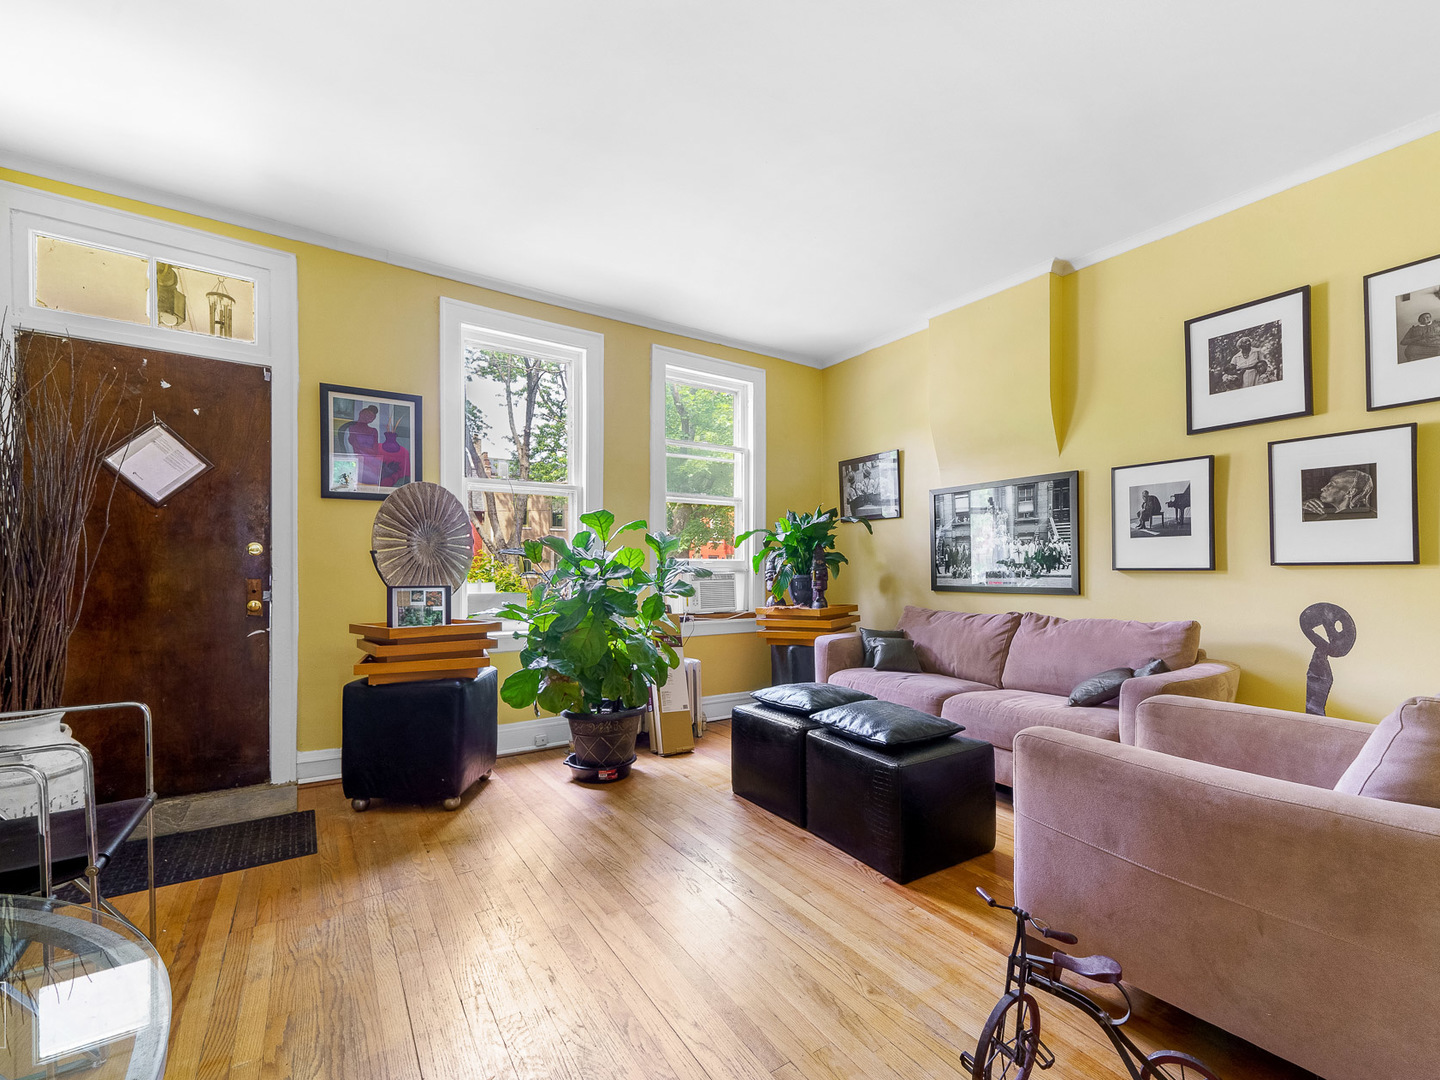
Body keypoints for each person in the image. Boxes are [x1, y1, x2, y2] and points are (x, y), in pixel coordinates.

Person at [339, 405, 382, 485]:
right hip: (357, 462)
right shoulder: (351, 429)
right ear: (361, 414)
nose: (367, 418)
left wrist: (362, 449)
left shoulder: (373, 431)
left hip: (371, 465)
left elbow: (375, 452)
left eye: (371, 417)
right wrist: (365, 451)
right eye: (366, 415)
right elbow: (353, 447)